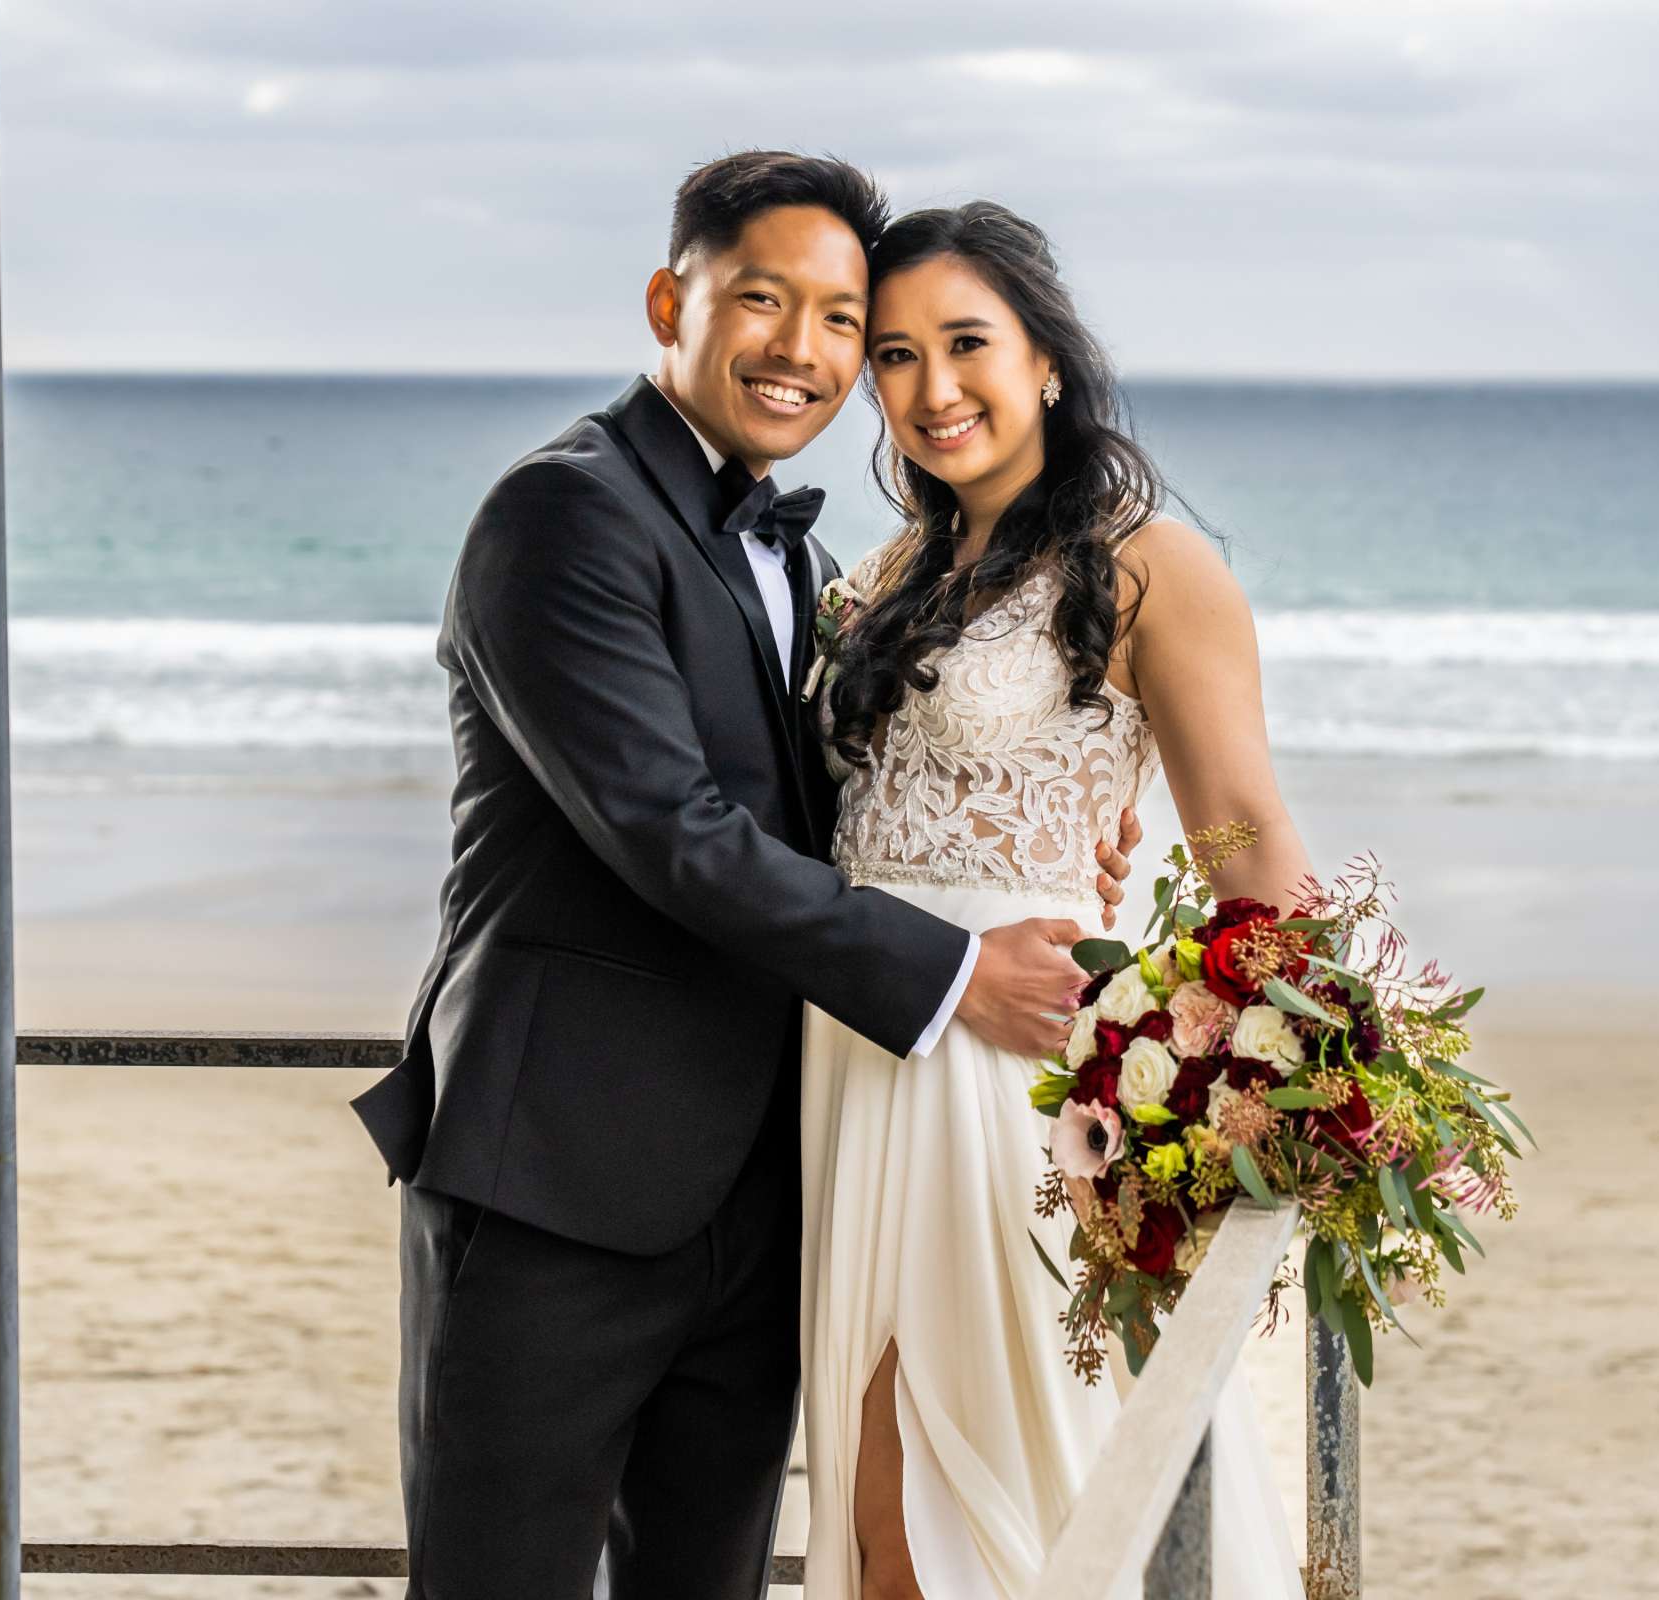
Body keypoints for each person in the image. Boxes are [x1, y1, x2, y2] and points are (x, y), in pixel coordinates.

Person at [349, 153, 1141, 1600]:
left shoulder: (816, 557)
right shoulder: (564, 514)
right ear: (672, 298)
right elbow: (666, 827)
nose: (807, 350)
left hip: (771, 1186)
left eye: (847, 323)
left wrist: (1066, 803)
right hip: (558, 1184)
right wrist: (956, 971)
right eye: (764, 300)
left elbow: (853, 801)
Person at [800, 200, 1311, 1599]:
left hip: (1016, 1082)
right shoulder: (883, 580)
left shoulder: (1153, 564)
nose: (931, 388)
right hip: (856, 1061)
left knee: (1031, 1489)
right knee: (876, 1511)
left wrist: (1242, 1101)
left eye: (967, 343)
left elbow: (1252, 863)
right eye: (893, 355)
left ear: (1048, 362)